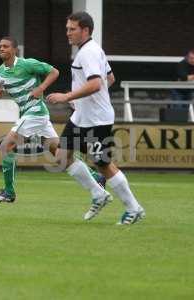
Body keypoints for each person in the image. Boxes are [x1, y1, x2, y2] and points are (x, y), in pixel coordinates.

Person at [47, 11, 145, 225]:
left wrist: (67, 96)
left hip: (97, 120)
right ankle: (99, 194)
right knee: (62, 155)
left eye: (72, 29)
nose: (68, 33)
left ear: (86, 30)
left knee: (103, 164)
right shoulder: (91, 50)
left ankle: (134, 208)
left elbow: (95, 84)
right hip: (82, 116)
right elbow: (110, 78)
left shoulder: (88, 53)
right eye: (67, 29)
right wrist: (81, 101)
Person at [0, 36, 106, 203]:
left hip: (34, 112)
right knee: (60, 154)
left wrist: (41, 88)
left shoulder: (27, 64)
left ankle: (8, 192)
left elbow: (54, 72)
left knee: (7, 145)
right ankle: (96, 177)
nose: (1, 49)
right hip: (32, 115)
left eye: (5, 46)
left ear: (14, 50)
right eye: (0, 46)